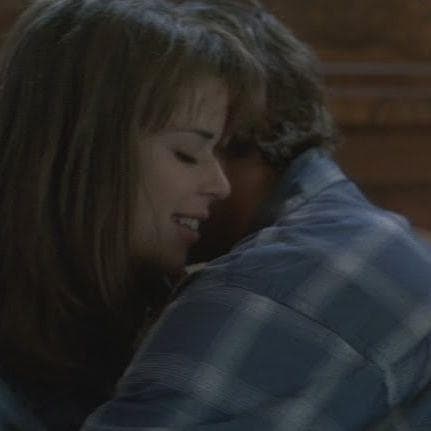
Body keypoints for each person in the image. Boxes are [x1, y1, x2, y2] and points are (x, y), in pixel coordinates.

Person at [82, 1, 431, 430]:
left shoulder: (273, 283)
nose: (215, 184)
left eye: (192, 149)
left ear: (225, 128)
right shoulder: (358, 236)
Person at [0, 0, 265, 429]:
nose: (220, 185)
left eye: (218, 152)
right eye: (187, 153)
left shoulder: (165, 318)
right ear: (84, 150)